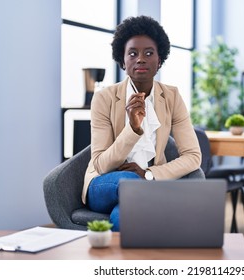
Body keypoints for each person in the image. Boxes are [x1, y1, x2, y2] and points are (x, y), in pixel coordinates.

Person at [81, 15, 202, 231]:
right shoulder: (104, 98)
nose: (141, 59)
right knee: (128, 182)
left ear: (159, 60)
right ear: (122, 61)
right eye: (133, 53)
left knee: (126, 212)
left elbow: (193, 157)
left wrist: (149, 175)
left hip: (147, 185)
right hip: (105, 183)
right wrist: (133, 129)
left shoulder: (172, 97)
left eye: (149, 53)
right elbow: (100, 164)